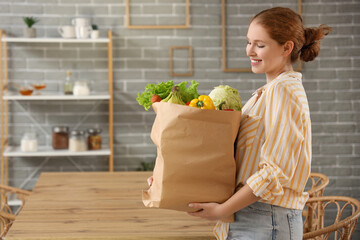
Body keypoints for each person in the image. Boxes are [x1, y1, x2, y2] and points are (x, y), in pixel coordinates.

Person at [184, 7, 331, 240]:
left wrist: (222, 210)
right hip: (253, 216)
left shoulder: (284, 91)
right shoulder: (265, 92)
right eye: (249, 42)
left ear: (287, 47)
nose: (249, 50)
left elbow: (275, 171)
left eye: (260, 44)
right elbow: (238, 161)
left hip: (266, 219)